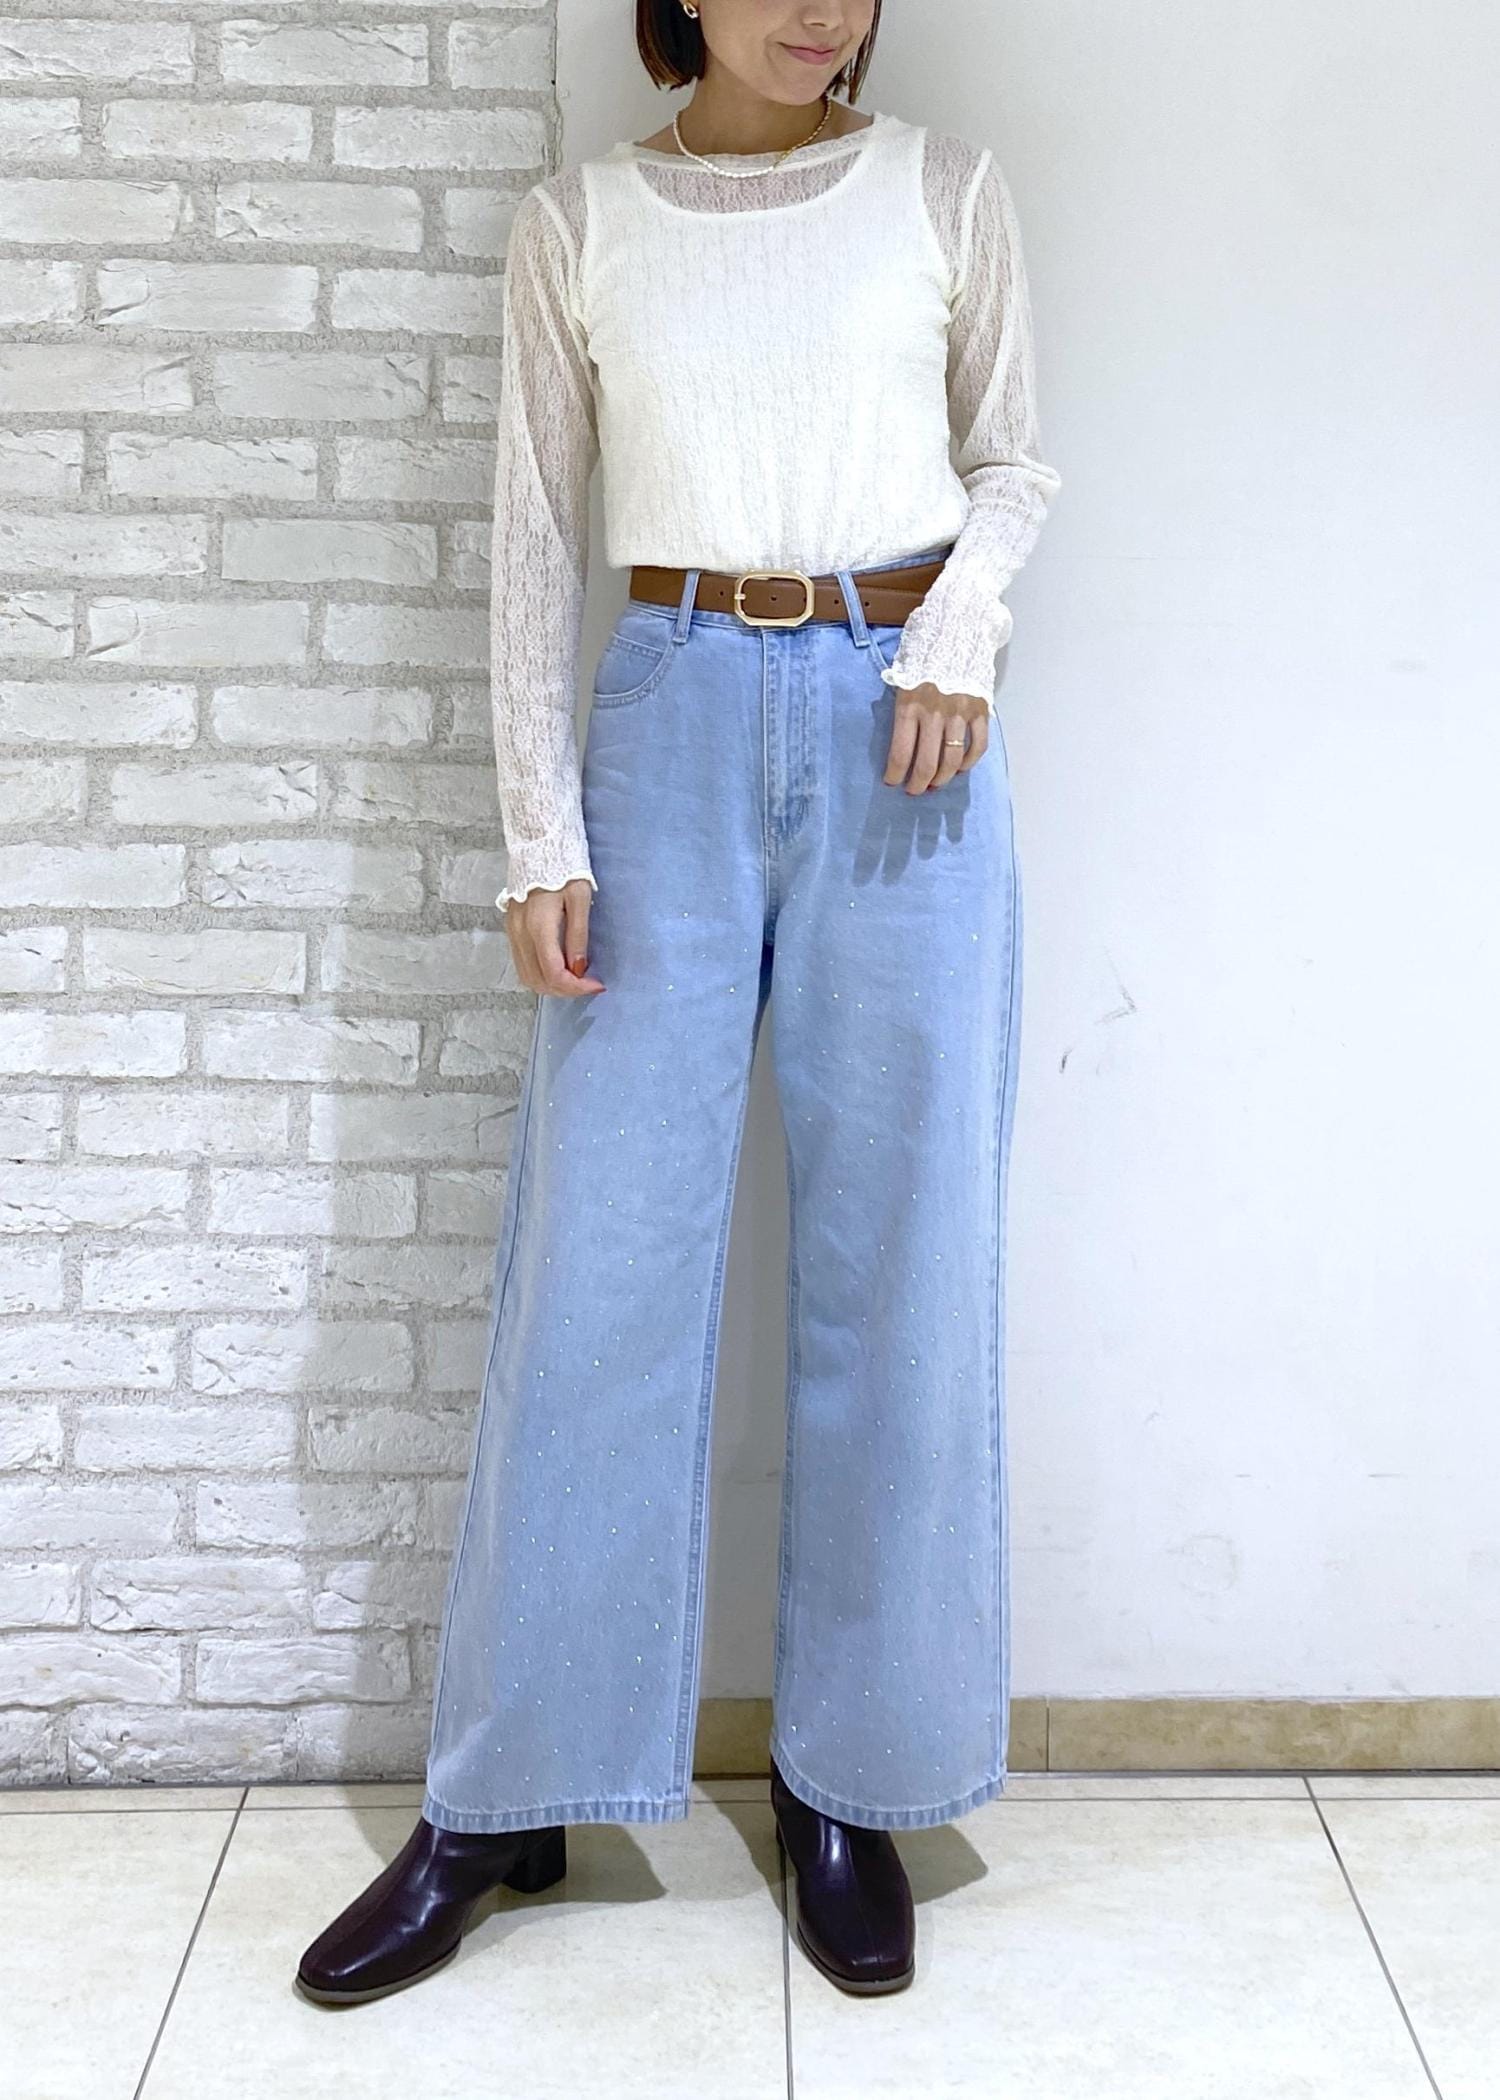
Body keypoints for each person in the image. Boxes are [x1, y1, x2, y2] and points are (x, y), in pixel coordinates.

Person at [297, 0, 1059, 2007]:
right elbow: (535, 536)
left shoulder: (943, 192)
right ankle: (508, 1796)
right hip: (668, 719)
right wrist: (536, 830)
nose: (824, 9)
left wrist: (960, 629)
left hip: (907, 735)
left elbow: (1011, 460)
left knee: (901, 1260)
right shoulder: (581, 225)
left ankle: (855, 1784)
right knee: (600, 1267)